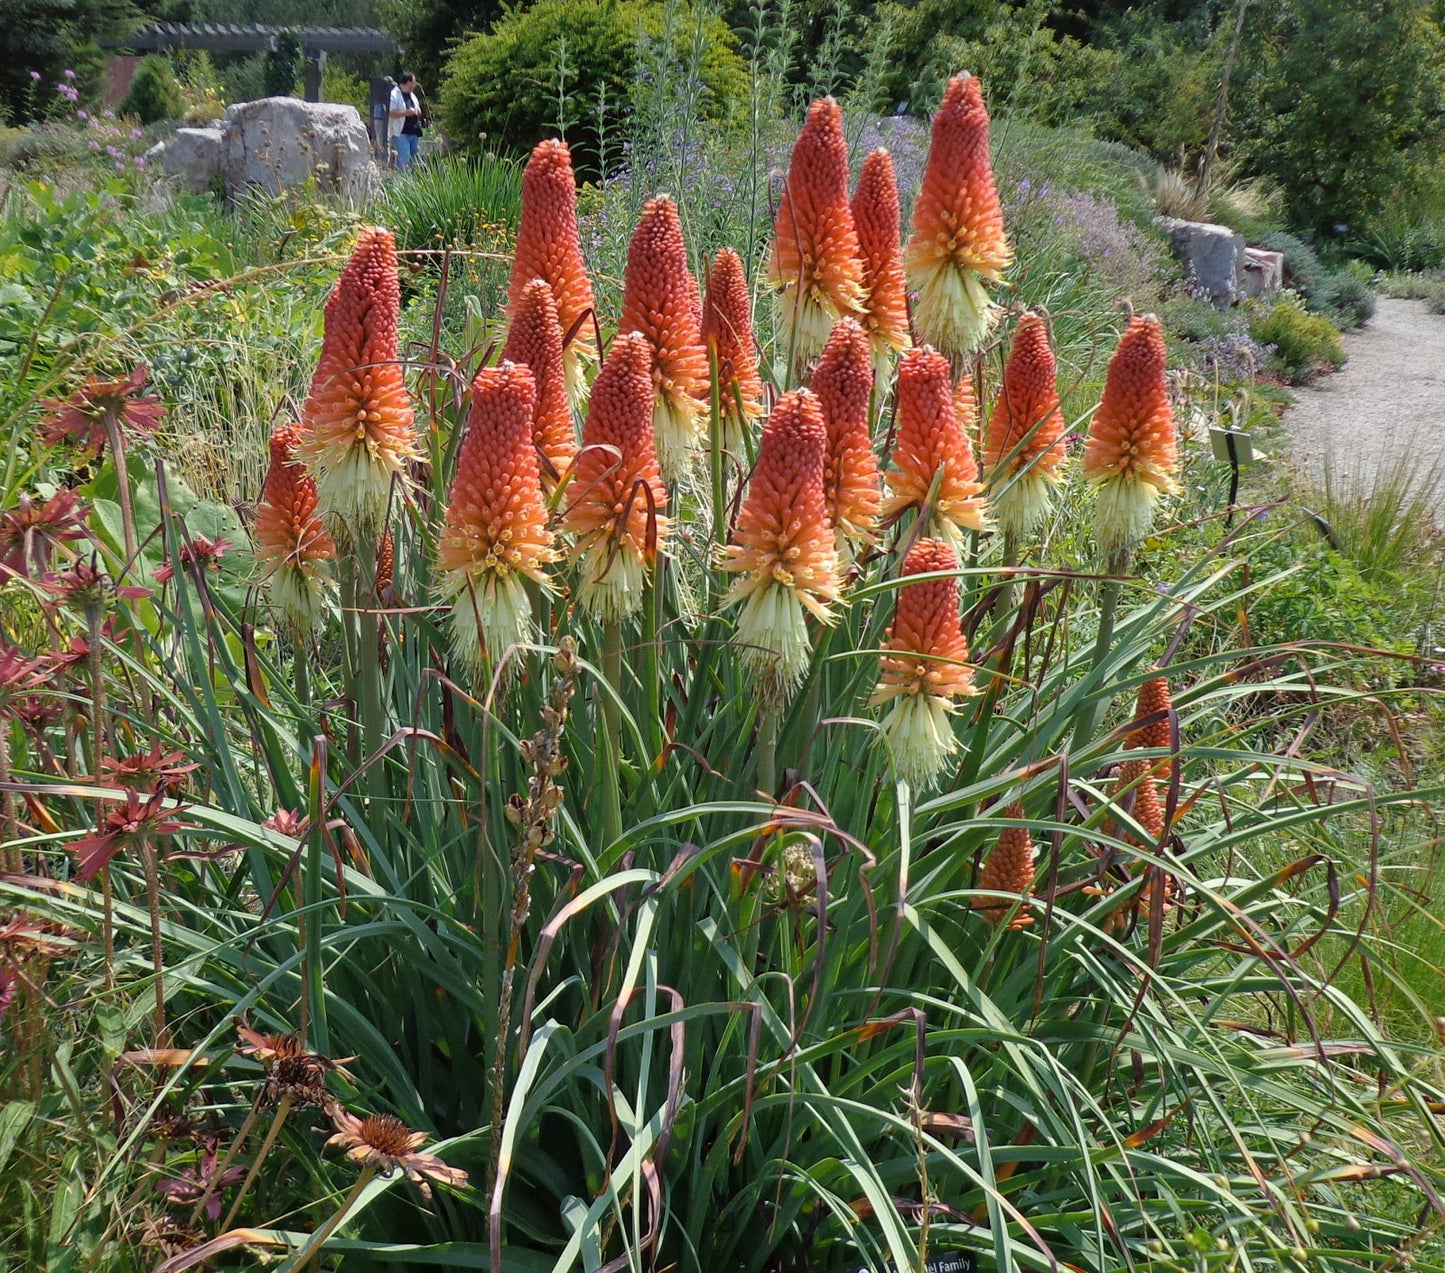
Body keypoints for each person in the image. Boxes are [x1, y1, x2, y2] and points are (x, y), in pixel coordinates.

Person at [388, 73, 425, 171]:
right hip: (401, 132)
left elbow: (417, 109)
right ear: (408, 82)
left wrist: (418, 112)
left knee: (414, 160)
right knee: (404, 160)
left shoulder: (412, 95)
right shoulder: (394, 95)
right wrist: (405, 113)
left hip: (414, 132)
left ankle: (412, 182)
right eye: (413, 82)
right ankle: (402, 182)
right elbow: (390, 113)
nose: (414, 85)